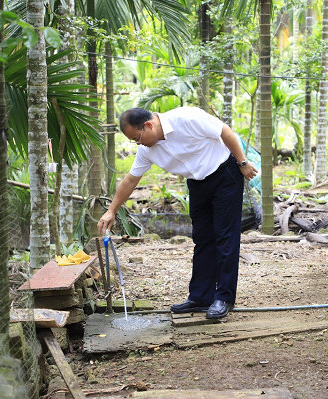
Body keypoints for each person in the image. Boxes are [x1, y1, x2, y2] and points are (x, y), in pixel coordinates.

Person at [97, 107, 258, 319]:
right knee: (202, 238)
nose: (138, 144)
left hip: (225, 173)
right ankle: (201, 297)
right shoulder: (147, 150)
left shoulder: (186, 118)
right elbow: (130, 180)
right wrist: (111, 211)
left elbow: (225, 131)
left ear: (148, 125)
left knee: (225, 236)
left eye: (137, 138)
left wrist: (242, 162)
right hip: (197, 182)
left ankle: (224, 298)